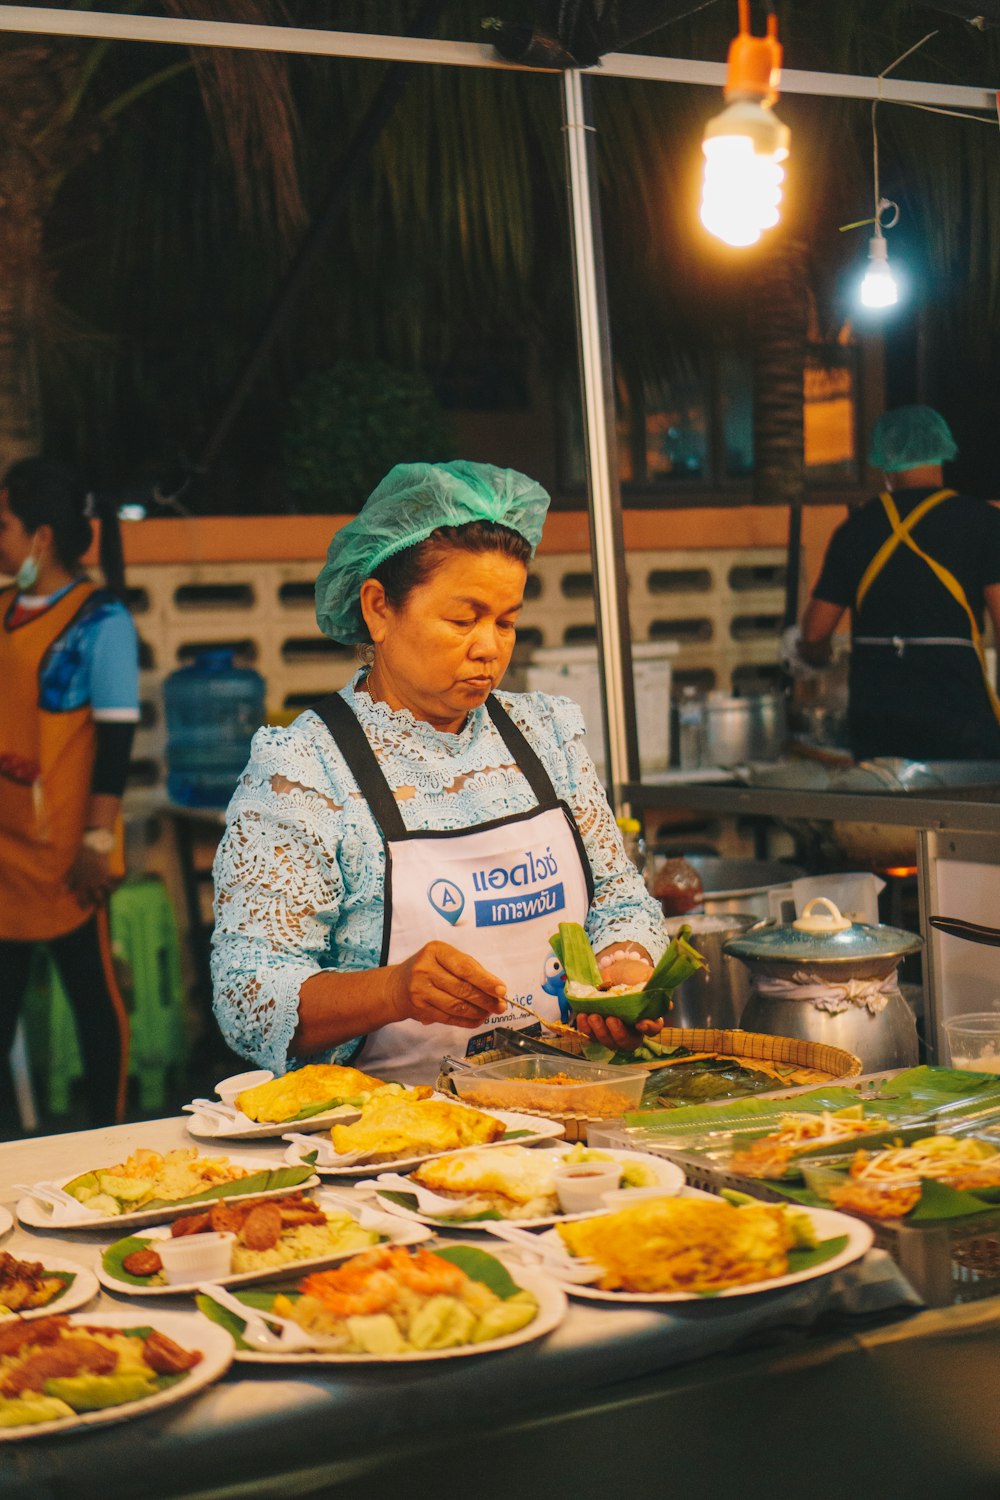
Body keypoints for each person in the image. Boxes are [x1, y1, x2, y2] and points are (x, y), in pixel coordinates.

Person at [212, 460, 666, 1084]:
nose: (490, 647)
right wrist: (395, 990)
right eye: (464, 619)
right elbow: (246, 993)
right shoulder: (306, 768)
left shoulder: (548, 735)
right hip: (390, 1132)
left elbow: (619, 899)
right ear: (378, 609)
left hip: (565, 1102)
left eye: (506, 620)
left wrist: (624, 966)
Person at [0, 458, 138, 1127]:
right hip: (4, 852)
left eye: (3, 525)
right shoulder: (3, 608)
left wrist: (98, 839)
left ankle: (109, 1135)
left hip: (65, 852)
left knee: (93, 1000)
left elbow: (115, 740)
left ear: (41, 538)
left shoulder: (100, 621)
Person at [795, 405, 1000, 760]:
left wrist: (813, 656)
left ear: (884, 461)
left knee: (886, 814)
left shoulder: (854, 530)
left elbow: (814, 633)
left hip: (878, 725)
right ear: (943, 451)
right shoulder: (983, 522)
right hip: (959, 719)